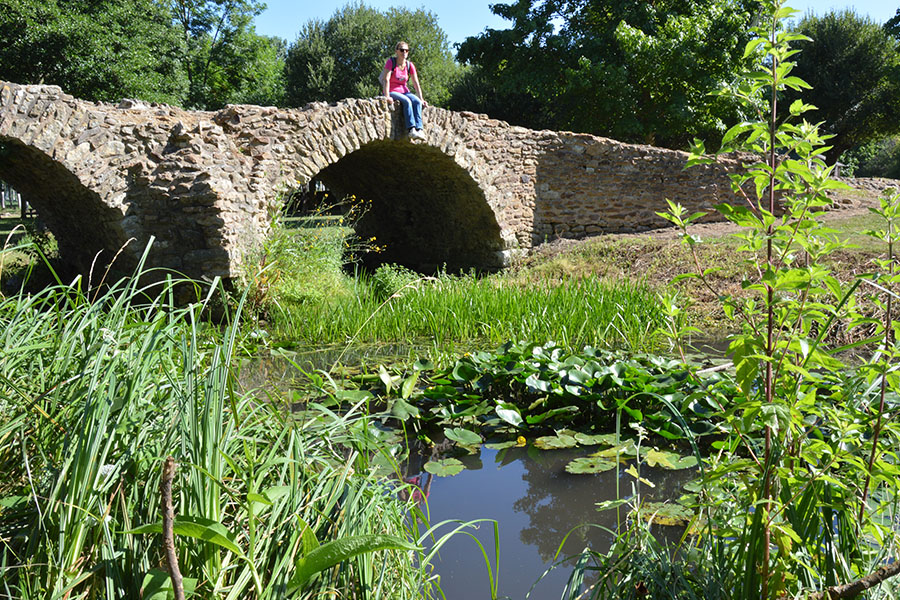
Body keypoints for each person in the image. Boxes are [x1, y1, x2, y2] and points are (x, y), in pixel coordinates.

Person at [381, 41, 427, 140]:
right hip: (392, 91)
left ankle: (419, 129)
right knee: (407, 101)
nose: (404, 52)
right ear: (396, 51)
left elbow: (415, 82)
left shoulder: (409, 65)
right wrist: (387, 96)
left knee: (417, 102)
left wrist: (421, 98)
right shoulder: (391, 62)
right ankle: (411, 129)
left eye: (406, 50)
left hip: (405, 91)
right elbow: (386, 79)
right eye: (402, 50)